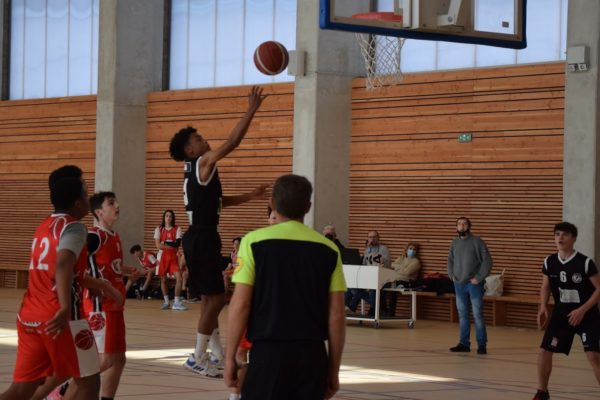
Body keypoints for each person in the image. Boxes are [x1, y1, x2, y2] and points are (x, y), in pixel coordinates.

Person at [169, 85, 268, 377]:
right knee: (216, 299)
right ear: (190, 150)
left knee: (210, 300)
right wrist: (251, 110)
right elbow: (232, 143)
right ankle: (198, 357)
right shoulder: (203, 162)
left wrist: (250, 196)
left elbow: (218, 201)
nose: (204, 140)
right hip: (202, 237)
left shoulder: (194, 169)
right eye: (198, 139)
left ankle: (217, 355)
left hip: (200, 236)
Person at [225, 174, 346, 400]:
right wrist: (333, 369)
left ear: (272, 203)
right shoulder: (330, 250)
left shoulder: (253, 242)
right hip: (311, 358)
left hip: (267, 355)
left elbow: (240, 304)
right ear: (308, 207)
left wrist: (230, 356)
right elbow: (337, 315)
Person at [0, 165, 103, 400]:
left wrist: (99, 285)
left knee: (21, 390)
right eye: (86, 194)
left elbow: (56, 270)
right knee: (89, 383)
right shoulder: (74, 227)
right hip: (61, 318)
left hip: (29, 316)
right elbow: (63, 263)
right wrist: (65, 307)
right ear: (77, 203)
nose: (88, 199)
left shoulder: (43, 226)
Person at [82, 191, 145, 400]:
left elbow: (109, 266)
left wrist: (126, 271)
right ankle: (62, 389)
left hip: (115, 304)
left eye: (116, 201)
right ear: (99, 212)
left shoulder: (114, 236)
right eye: (111, 203)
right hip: (100, 306)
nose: (117, 205)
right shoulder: (94, 236)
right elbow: (72, 262)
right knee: (107, 358)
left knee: (119, 359)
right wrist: (93, 285)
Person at [533, 222, 600, 400]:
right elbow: (545, 286)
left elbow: (599, 289)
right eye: (557, 234)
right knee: (544, 351)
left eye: (565, 234)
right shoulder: (549, 262)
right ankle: (542, 393)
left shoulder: (585, 262)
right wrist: (543, 306)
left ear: (574, 238)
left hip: (587, 315)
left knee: (593, 355)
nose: (560, 238)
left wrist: (582, 310)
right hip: (562, 315)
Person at [447, 217, 492, 355]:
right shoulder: (454, 243)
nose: (462, 226)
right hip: (459, 284)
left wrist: (479, 278)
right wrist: (451, 275)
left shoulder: (477, 241)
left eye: (464, 224)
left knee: (477, 315)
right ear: (456, 227)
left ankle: (482, 344)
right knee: (462, 315)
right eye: (459, 224)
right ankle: (464, 343)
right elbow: (450, 260)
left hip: (474, 285)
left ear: (469, 226)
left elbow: (487, 261)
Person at [346, 230, 391, 316]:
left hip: (381, 277)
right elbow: (364, 265)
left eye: (374, 237)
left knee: (372, 290)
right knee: (352, 286)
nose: (372, 239)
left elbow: (386, 264)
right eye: (370, 237)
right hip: (369, 277)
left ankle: (376, 306)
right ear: (367, 238)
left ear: (378, 238)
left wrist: (372, 253)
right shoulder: (367, 250)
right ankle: (348, 307)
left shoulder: (383, 249)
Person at [154, 210, 186, 311]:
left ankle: (176, 302)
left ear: (173, 218)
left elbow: (177, 244)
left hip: (173, 257)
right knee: (163, 279)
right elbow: (158, 245)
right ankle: (167, 302)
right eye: (167, 216)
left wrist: (165, 243)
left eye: (170, 216)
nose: (168, 218)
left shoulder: (177, 228)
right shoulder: (159, 229)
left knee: (179, 278)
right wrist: (170, 245)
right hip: (162, 256)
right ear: (164, 217)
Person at [385, 242, 422, 316]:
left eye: (414, 249)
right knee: (382, 287)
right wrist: (403, 268)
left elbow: (407, 272)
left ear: (416, 251)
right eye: (410, 248)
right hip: (395, 280)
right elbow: (392, 265)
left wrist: (398, 268)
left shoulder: (416, 262)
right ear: (406, 249)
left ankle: (390, 314)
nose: (412, 250)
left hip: (407, 282)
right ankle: (383, 310)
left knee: (393, 291)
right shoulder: (401, 258)